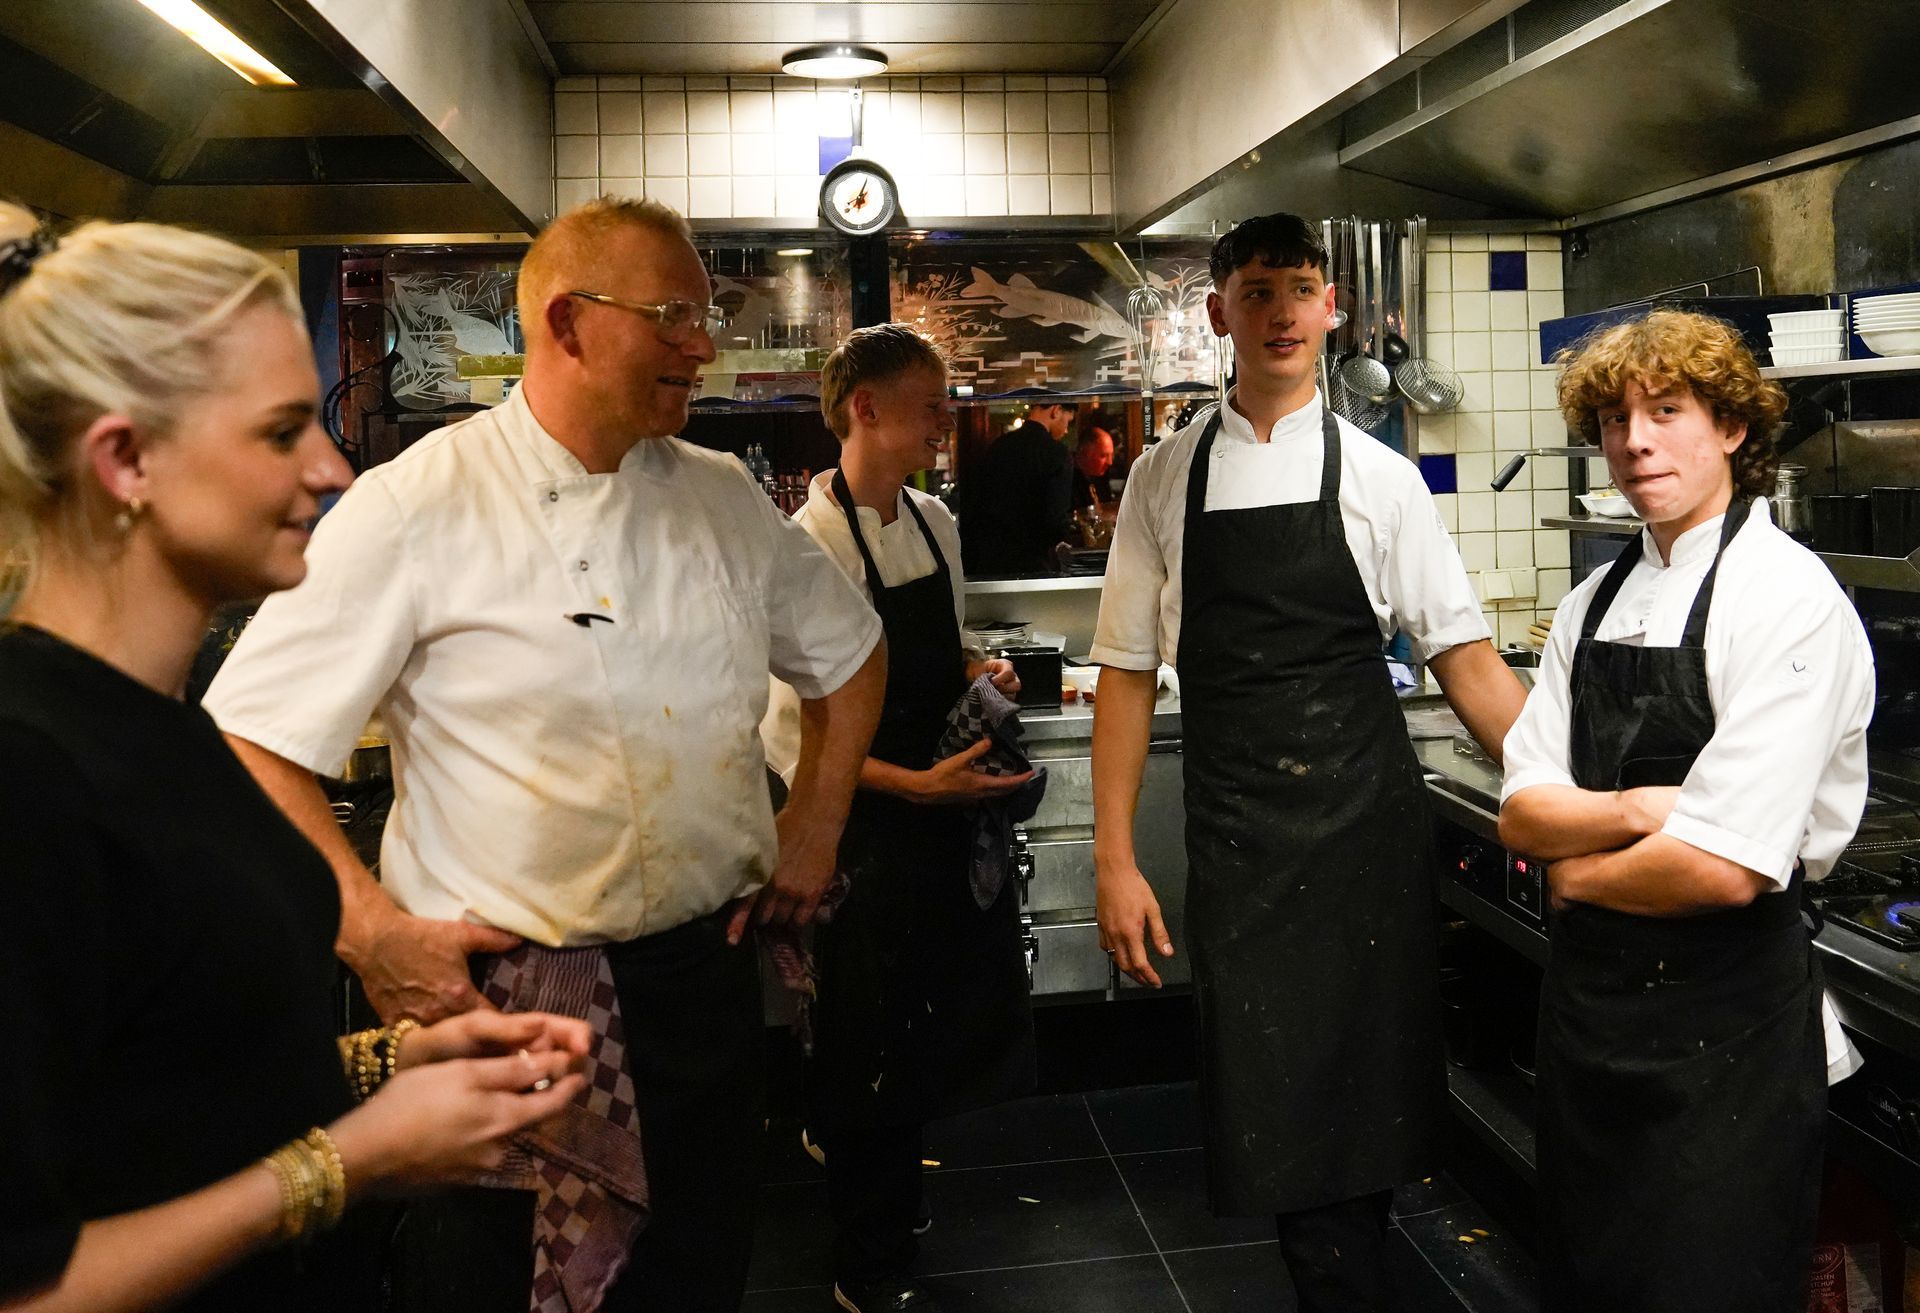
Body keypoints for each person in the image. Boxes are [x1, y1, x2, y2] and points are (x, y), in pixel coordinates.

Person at [202, 198, 888, 1312]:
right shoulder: (417, 504)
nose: (702, 345)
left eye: (703, 318)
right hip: (514, 1008)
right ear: (566, 323)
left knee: (696, 1275)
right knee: (497, 1288)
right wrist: (372, 933)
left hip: (705, 990)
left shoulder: (719, 494)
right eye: (673, 316)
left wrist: (816, 819)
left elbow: (851, 658)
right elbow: (247, 739)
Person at [0, 209, 590, 1313]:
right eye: (280, 433)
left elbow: (163, 1083)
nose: (332, 466)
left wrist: (387, 1070)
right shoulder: (27, 771)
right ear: (125, 458)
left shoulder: (166, 725)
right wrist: (348, 1159)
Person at [1090, 212, 1526, 1311]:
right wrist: (1113, 858)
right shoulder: (1160, 479)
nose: (1281, 311)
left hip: (1363, 836)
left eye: (1300, 288)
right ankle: (1340, 1281)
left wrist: (1562, 796)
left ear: (1332, 308)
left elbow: (1464, 659)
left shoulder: (1382, 479)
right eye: (1257, 290)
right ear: (1218, 313)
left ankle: (1348, 1283)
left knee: (1365, 1104)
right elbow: (1128, 674)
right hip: (1242, 845)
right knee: (1278, 1102)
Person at [1499, 309, 1873, 1313]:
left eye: (1668, 411)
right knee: (1589, 1280)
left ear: (1734, 429)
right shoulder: (1592, 602)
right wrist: (1636, 811)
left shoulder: (1787, 598)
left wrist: (1579, 873)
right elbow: (1524, 812)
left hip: (1729, 1031)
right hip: (1592, 1028)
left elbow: (1720, 866)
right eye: (1618, 418)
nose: (1637, 441)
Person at [761, 324, 1037, 1312]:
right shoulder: (807, 544)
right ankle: (866, 1259)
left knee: (922, 1025)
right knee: (862, 1035)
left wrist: (980, 671)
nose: (944, 417)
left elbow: (941, 645)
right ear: (864, 408)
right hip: (861, 828)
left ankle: (888, 1193)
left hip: (938, 813)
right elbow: (787, 733)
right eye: (928, 401)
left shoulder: (934, 520)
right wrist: (916, 787)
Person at [957, 399, 1075, 574]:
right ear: (1056, 410)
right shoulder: (1055, 453)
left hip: (988, 560)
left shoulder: (997, 446)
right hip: (1032, 563)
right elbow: (1055, 519)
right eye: (1068, 421)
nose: (1066, 430)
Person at [1071, 420, 1115, 512]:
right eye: (1103, 456)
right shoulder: (1067, 479)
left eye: (1111, 455)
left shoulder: (1101, 477)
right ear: (1084, 452)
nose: (1109, 462)